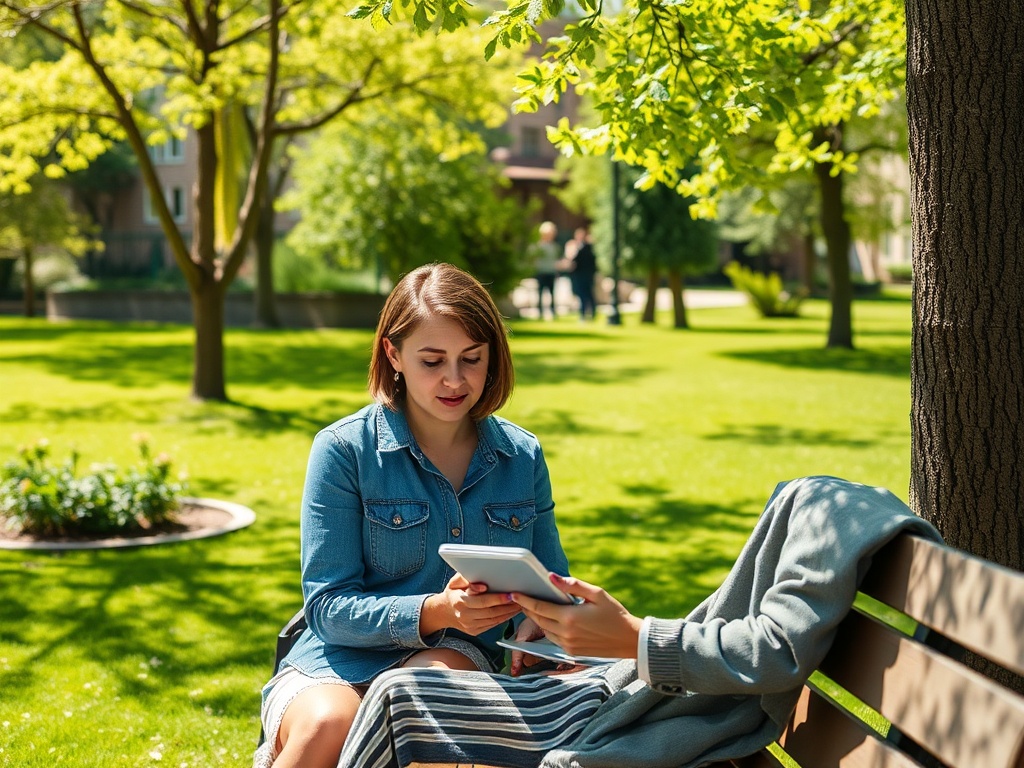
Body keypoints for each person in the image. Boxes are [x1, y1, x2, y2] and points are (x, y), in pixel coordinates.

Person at [337, 475, 943, 768]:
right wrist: (584, 637)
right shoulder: (820, 510)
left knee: (396, 697)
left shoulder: (833, 518)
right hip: (613, 687)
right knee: (399, 694)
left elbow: (774, 655)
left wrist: (631, 638)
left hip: (636, 706)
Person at [253, 263, 572, 768]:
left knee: (425, 703)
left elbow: (553, 585)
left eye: (472, 358)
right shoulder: (343, 450)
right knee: (325, 727)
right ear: (393, 354)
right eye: (432, 360)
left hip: (453, 656)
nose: (454, 379)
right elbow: (327, 606)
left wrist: (540, 624)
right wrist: (436, 611)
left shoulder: (521, 456)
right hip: (334, 660)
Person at [530, 221, 561, 320]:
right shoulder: (537, 246)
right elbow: (532, 258)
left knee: (552, 293)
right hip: (541, 272)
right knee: (540, 293)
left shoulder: (554, 246)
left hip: (551, 272)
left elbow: (556, 259)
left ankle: (552, 311)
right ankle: (540, 312)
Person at [566, 227, 597, 320]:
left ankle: (586, 312)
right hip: (581, 274)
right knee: (585, 294)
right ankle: (588, 312)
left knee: (586, 294)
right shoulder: (580, 247)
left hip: (584, 274)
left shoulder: (586, 247)